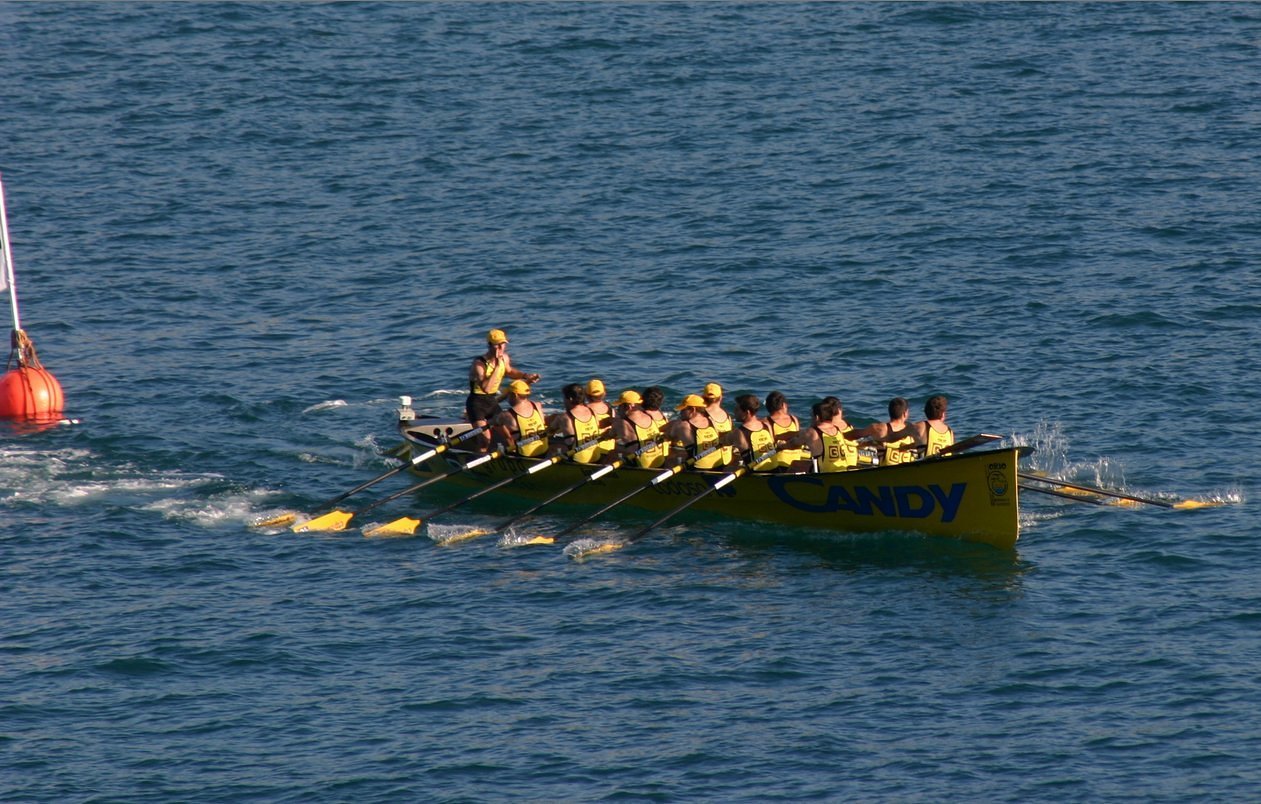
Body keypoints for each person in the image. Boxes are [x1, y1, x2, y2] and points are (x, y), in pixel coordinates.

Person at [465, 328, 540, 449]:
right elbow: (486, 388)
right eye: (497, 344)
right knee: (485, 439)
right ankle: (480, 456)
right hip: (476, 404)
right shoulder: (479, 364)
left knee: (508, 437)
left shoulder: (504, 358)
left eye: (503, 344)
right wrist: (497, 366)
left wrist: (526, 376)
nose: (500, 347)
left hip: (491, 402)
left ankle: (512, 456)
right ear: (490, 345)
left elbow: (509, 371)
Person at [784, 397, 858, 473]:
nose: (811, 419)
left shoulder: (811, 432)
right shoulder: (838, 429)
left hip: (824, 473)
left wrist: (781, 446)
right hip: (842, 470)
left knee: (795, 465)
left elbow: (792, 444)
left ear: (817, 417)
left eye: (811, 416)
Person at [547, 383, 611, 464]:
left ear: (570, 399)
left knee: (553, 447)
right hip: (596, 457)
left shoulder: (564, 417)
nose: (564, 401)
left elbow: (549, 432)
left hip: (578, 459)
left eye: (564, 398)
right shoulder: (593, 412)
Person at [846, 397, 917, 465]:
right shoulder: (913, 430)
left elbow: (851, 436)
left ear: (890, 412)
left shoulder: (879, 428)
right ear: (905, 414)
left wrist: (867, 444)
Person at [663, 394, 724, 469]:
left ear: (692, 410)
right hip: (718, 465)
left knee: (672, 455)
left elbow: (667, 436)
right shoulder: (712, 420)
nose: (680, 412)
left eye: (683, 410)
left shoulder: (683, 425)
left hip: (697, 468)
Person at [490, 380, 549, 457]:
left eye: (508, 394)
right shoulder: (537, 406)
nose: (507, 397)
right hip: (544, 450)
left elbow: (492, 422)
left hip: (525, 455)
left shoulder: (506, 415)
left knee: (495, 430)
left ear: (515, 395)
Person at [613, 388, 669, 468]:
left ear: (629, 406)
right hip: (661, 461)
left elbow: (609, 435)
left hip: (642, 465)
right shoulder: (653, 416)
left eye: (620, 406)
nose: (618, 408)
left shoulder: (622, 423)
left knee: (614, 451)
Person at [765, 390, 812, 472]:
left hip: (779, 464)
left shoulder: (766, 422)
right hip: (796, 463)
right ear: (783, 405)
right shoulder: (794, 419)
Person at [730, 394, 779, 471]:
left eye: (737, 409)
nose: (734, 412)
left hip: (756, 474)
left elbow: (724, 442)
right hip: (775, 470)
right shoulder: (767, 425)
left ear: (747, 412)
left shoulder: (739, 432)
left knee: (728, 467)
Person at [702, 382, 736, 467]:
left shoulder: (699, 416)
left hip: (706, 463)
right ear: (720, 397)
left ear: (703, 397)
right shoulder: (728, 416)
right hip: (726, 461)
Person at [585, 378, 617, 457]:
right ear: (604, 393)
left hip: (589, 451)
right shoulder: (613, 411)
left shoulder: (583, 410)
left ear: (586, 395)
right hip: (608, 451)